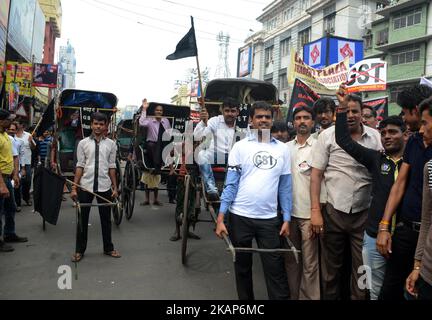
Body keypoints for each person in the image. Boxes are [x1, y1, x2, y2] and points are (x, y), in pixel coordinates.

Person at [335, 85, 407, 300]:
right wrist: (341, 108)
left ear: (406, 134)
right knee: (373, 290)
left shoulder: (414, 162)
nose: (386, 136)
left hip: (404, 239)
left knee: (404, 290)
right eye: (383, 133)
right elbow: (344, 141)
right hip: (374, 237)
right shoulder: (376, 159)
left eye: (393, 132)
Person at [215, 101, 292, 300]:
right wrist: (221, 217)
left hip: (269, 219)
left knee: (274, 268)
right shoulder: (240, 147)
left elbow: (285, 187)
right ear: (251, 120)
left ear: (272, 120)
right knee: (242, 268)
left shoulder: (283, 150)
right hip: (240, 217)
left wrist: (287, 218)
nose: (263, 120)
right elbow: (230, 185)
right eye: (259, 117)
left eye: (267, 117)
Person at [310, 93, 383, 300]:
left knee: (362, 270)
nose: (350, 115)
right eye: (346, 111)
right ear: (339, 114)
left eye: (355, 111)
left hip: (365, 215)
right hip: (333, 213)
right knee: (331, 270)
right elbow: (316, 175)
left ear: (362, 114)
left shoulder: (376, 137)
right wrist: (315, 211)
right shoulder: (328, 136)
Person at [377, 96, 432, 300]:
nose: (405, 119)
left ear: (415, 111)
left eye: (406, 113)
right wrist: (384, 226)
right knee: (389, 290)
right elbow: (399, 184)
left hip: (429, 239)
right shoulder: (415, 142)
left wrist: (419, 262)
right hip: (407, 230)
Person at [285, 106, 324, 300]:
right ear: (293, 122)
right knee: (292, 261)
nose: (302, 121)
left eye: (306, 118)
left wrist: (318, 212)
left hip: (311, 216)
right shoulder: (285, 148)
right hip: (288, 215)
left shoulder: (320, 146)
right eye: (298, 118)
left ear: (313, 122)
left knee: (310, 264)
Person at [70, 112, 120, 262]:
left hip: (104, 187)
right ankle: (79, 250)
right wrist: (74, 187)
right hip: (86, 186)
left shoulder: (111, 144)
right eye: (95, 124)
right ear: (91, 125)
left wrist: (115, 187)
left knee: (106, 219)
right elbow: (80, 165)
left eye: (101, 124)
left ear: (105, 126)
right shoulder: (83, 143)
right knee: (82, 219)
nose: (98, 127)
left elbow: (112, 167)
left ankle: (108, 248)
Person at [194, 98, 240, 201]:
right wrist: (203, 122)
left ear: (237, 112)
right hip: (215, 156)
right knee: (201, 155)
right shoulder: (215, 121)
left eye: (233, 111)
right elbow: (197, 136)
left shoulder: (242, 124)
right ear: (222, 111)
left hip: (234, 158)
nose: (230, 114)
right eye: (227, 111)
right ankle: (211, 189)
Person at [0, 110, 28, 253]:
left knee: (11, 207)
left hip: (8, 176)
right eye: (8, 120)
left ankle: (9, 234)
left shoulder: (5, 136)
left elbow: (13, 156)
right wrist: (2, 185)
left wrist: (15, 175)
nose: (11, 123)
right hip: (1, 178)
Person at [405, 159, 432, 300]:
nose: (422, 134)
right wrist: (417, 266)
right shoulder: (430, 167)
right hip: (428, 273)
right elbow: (427, 220)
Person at [139, 103, 171, 206]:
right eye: (157, 110)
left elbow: (168, 133)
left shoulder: (165, 121)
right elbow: (141, 122)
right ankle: (147, 199)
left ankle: (156, 199)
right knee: (148, 174)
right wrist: (144, 109)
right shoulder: (149, 120)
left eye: (160, 111)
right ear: (154, 111)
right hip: (151, 146)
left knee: (157, 175)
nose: (159, 112)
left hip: (161, 146)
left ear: (162, 112)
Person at [15, 121, 36, 206]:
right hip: (16, 162)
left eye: (18, 124)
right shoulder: (12, 136)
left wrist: (31, 141)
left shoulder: (28, 135)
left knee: (27, 181)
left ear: (21, 125)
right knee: (17, 181)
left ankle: (26, 197)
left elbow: (34, 147)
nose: (17, 125)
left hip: (27, 162)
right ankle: (17, 202)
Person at [7, 122, 24, 212]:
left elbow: (19, 156)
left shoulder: (18, 142)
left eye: (13, 129)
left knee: (16, 187)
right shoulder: (5, 139)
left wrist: (22, 169)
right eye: (9, 129)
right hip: (5, 168)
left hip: (16, 168)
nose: (10, 131)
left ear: (16, 131)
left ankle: (17, 204)